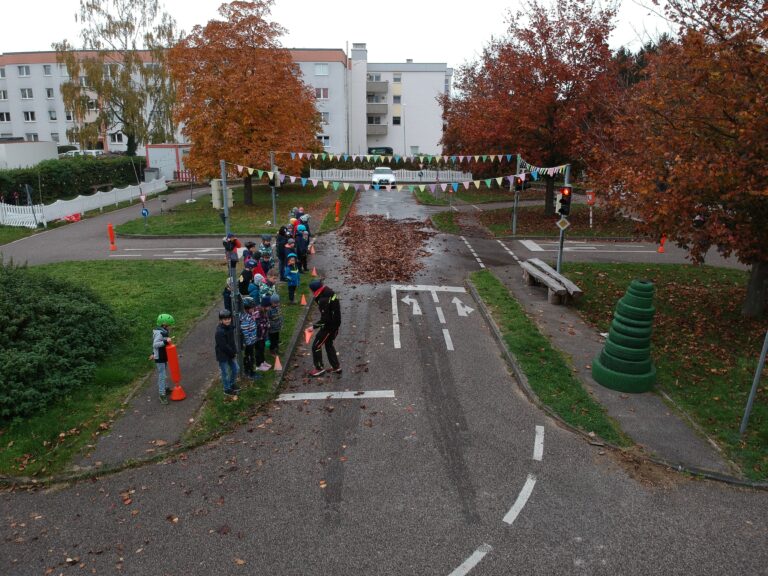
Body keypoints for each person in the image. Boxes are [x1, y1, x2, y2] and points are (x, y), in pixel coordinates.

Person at [308, 279, 342, 376]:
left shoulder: (323, 300)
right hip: (335, 324)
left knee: (316, 346)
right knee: (328, 344)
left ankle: (319, 368)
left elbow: (325, 319)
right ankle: (336, 367)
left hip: (329, 327)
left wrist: (313, 327)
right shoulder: (328, 292)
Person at [150, 313, 174, 404]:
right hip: (160, 358)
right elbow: (155, 344)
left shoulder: (162, 331)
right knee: (162, 376)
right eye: (169, 325)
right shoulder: (159, 333)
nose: (170, 327)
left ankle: (166, 388)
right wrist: (165, 341)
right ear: (164, 324)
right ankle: (162, 394)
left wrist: (152, 353)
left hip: (163, 356)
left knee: (164, 374)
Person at [215, 309, 240, 396]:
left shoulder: (230, 327)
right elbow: (223, 346)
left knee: (236, 369)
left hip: (231, 353)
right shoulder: (219, 332)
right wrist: (232, 353)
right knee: (225, 373)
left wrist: (235, 350)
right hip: (223, 356)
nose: (227, 320)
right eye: (225, 319)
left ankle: (232, 383)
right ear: (221, 320)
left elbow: (232, 342)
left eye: (229, 318)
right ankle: (226, 389)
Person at [240, 297, 258, 378]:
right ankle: (250, 373)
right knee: (249, 357)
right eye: (252, 308)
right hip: (249, 343)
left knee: (251, 356)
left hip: (252, 340)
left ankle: (250, 370)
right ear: (247, 308)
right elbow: (245, 332)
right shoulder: (245, 319)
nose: (253, 309)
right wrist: (249, 342)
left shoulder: (249, 315)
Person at [254, 296, 272, 372]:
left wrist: (267, 324)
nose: (270, 308)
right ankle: (258, 365)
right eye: (269, 306)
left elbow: (265, 321)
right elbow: (257, 325)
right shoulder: (258, 313)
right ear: (265, 306)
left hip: (262, 335)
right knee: (259, 350)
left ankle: (263, 362)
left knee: (262, 348)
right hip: (258, 337)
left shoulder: (264, 312)